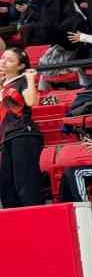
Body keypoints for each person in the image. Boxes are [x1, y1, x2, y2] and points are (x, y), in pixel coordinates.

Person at [0, 45, 44, 207]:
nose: (3, 62)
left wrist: (31, 79)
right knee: (7, 186)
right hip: (6, 137)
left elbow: (31, 101)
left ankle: (35, 219)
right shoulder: (3, 83)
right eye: (3, 57)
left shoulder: (22, 81)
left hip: (23, 134)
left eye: (9, 60)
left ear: (21, 66)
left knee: (25, 184)